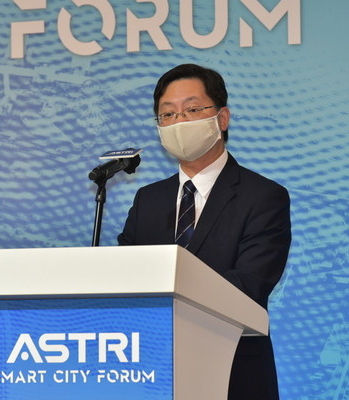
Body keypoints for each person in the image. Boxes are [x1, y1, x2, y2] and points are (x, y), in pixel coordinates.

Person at [118, 64, 291, 399]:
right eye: (168, 114)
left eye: (192, 110)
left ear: (222, 118)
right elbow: (126, 275)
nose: (179, 122)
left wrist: (168, 295)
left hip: (232, 371)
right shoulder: (148, 199)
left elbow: (250, 283)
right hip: (150, 371)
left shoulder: (263, 196)